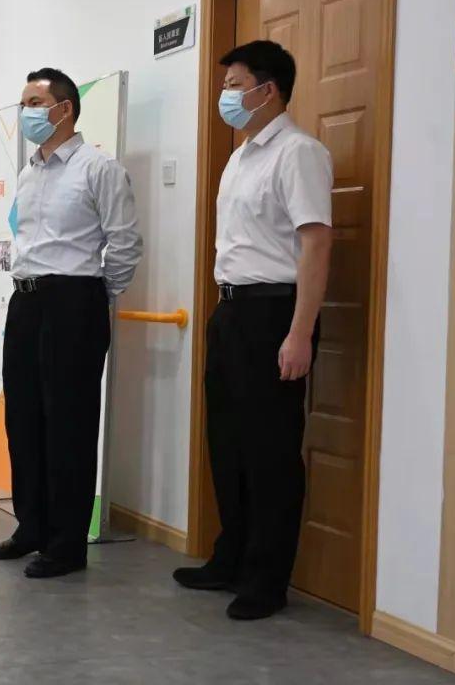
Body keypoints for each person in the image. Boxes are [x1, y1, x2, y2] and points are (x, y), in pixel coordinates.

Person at [172, 40, 333, 620]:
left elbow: (316, 243)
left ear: (268, 90)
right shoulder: (240, 157)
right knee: (228, 444)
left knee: (270, 451)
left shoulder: (299, 153)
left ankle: (267, 580)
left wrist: (299, 332)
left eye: (234, 85)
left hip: (275, 314)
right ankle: (230, 558)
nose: (226, 95)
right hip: (232, 312)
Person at [0, 68, 142, 578]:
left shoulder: (99, 168)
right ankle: (31, 527)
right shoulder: (28, 172)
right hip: (26, 301)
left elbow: (124, 243)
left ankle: (67, 544)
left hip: (74, 301)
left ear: (64, 108)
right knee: (24, 419)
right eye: (24, 101)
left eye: (34, 102)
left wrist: (91, 297)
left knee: (68, 424)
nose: (26, 111)